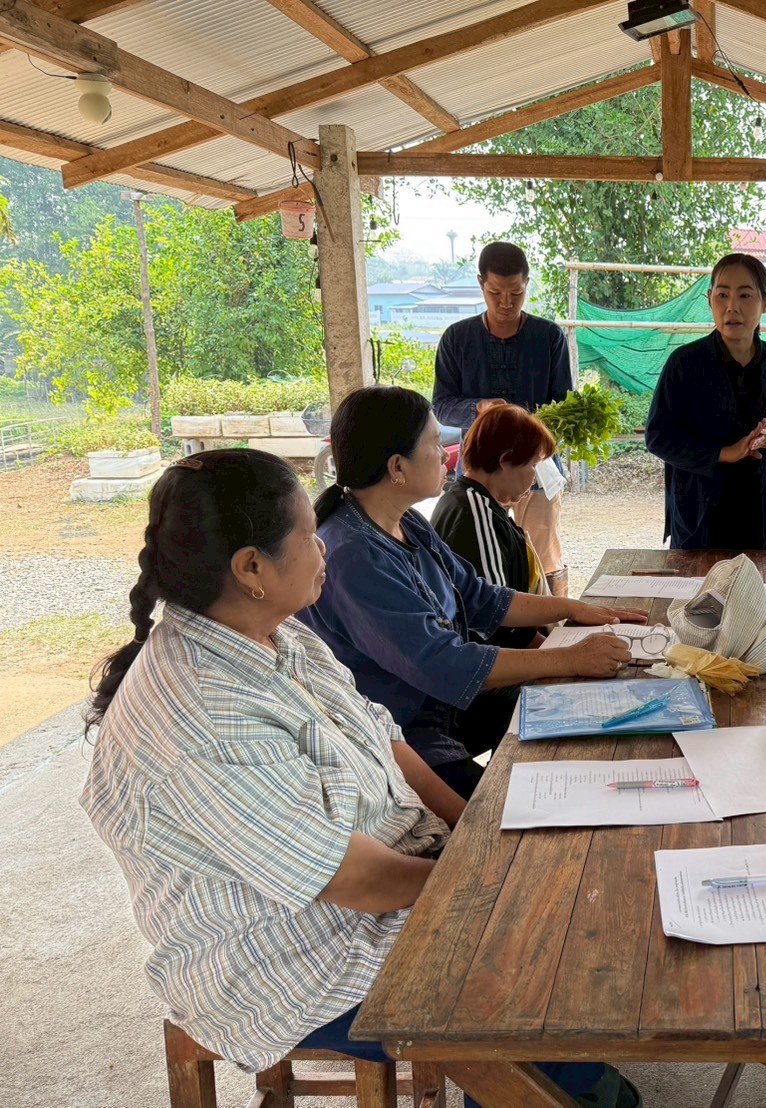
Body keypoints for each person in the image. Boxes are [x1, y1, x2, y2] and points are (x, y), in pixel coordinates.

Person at [78, 449, 640, 1108]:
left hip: (384, 882)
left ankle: (557, 1075)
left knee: (569, 894)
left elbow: (387, 740)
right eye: (306, 534)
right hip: (291, 959)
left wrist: (476, 831)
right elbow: (352, 882)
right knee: (543, 953)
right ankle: (562, 1084)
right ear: (251, 568)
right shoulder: (202, 715)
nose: (323, 546)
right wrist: (491, 884)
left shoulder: (279, 633)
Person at [302, 386, 647, 800]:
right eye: (435, 444)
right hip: (404, 737)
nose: (446, 454)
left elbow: (482, 597)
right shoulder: (354, 556)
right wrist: (568, 656)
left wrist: (574, 609)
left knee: (582, 706)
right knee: (520, 804)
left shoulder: (407, 523)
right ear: (397, 467)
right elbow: (442, 663)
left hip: (449, 709)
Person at [433, 241, 573, 595]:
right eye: (495, 293)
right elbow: (442, 406)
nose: (506, 303)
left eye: (516, 293)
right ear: (481, 283)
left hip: (537, 470)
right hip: (478, 474)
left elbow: (563, 406)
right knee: (476, 563)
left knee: (543, 559)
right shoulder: (457, 339)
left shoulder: (549, 337)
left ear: (527, 285)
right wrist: (478, 408)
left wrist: (526, 424)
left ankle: (555, 622)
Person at [645, 252, 766, 550]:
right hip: (701, 516)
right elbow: (658, 437)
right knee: (701, 582)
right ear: (710, 299)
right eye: (722, 295)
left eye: (745, 295)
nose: (732, 306)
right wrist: (724, 453)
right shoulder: (684, 364)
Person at [432, 403, 555, 617]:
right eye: (533, 465)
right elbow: (496, 613)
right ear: (505, 460)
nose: (535, 478)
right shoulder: (475, 511)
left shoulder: (472, 501)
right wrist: (570, 611)